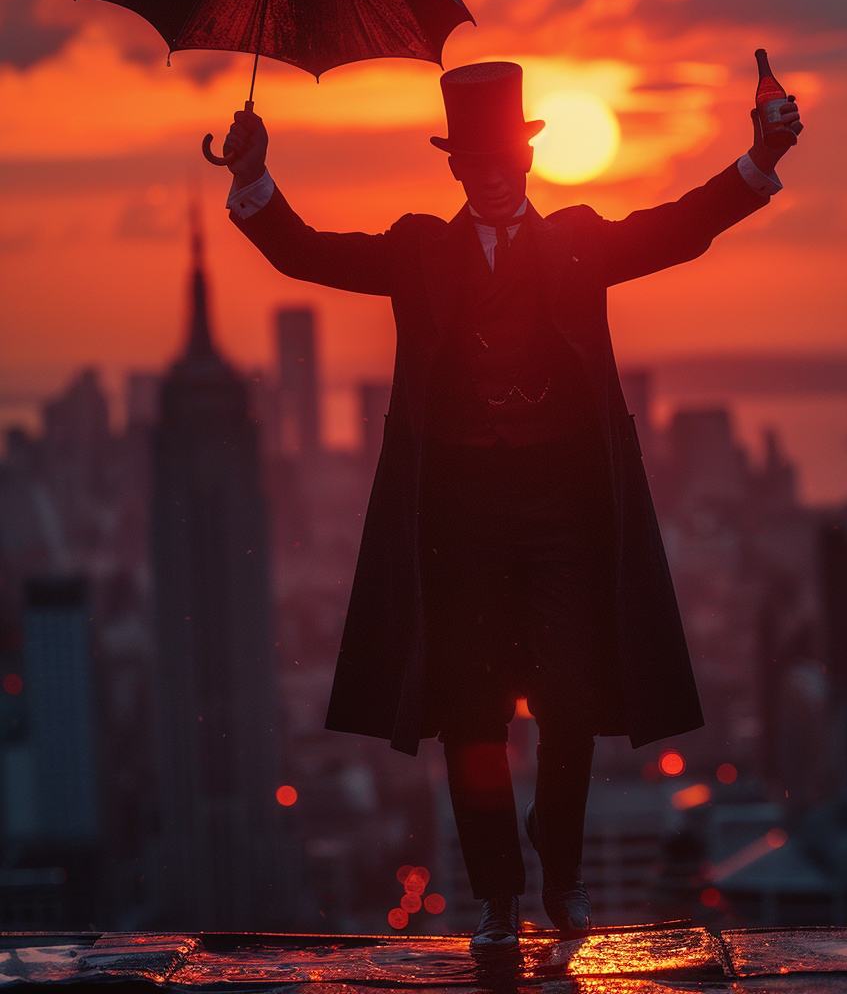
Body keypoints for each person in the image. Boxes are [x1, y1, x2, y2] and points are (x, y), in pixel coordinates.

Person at [221, 61, 802, 953]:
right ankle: (497, 896)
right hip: (456, 513)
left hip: (562, 507)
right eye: (474, 162)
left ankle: (558, 869)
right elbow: (307, 251)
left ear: (527, 160)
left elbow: (680, 229)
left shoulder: (578, 240)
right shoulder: (419, 251)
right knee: (470, 712)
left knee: (570, 698)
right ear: (454, 168)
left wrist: (758, 158)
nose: (491, 175)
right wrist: (253, 178)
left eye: (505, 159)